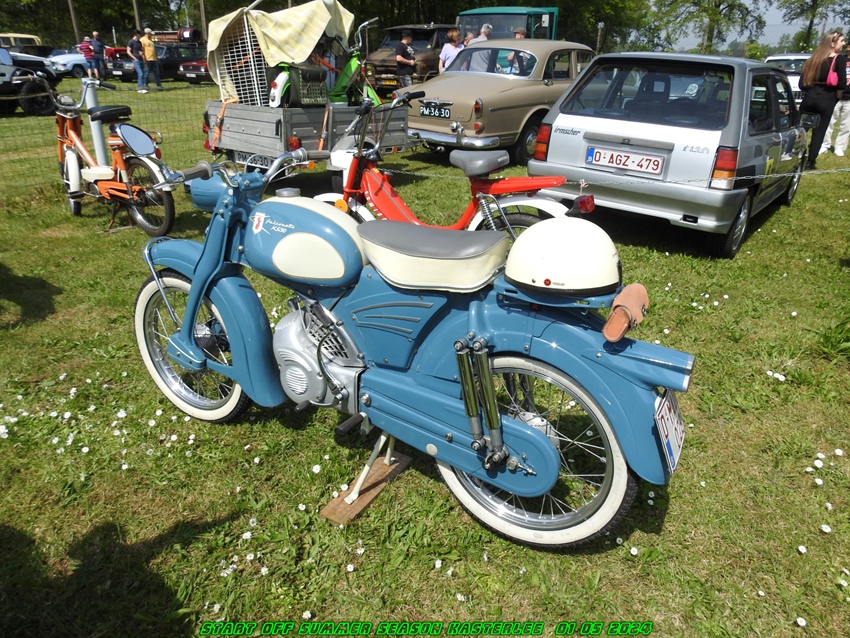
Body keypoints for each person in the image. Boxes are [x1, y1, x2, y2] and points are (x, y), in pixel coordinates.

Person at [800, 31, 847, 170]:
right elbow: (842, 83)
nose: (844, 44)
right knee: (819, 132)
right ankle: (810, 161)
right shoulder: (838, 59)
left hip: (809, 98)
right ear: (832, 43)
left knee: (801, 129)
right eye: (841, 41)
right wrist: (836, 97)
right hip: (827, 98)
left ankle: (793, 154)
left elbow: (801, 84)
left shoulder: (812, 59)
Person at [820, 54, 850, 157]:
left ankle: (840, 147)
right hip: (835, 96)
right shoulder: (840, 59)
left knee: (847, 124)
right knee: (829, 121)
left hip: (849, 98)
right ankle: (824, 144)